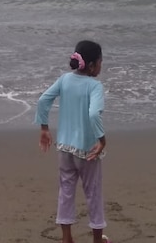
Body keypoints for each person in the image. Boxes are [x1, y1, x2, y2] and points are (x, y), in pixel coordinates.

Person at [36, 41, 108, 243]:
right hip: (88, 151)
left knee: (66, 192)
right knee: (93, 194)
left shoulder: (65, 79)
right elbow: (94, 114)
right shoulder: (95, 86)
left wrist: (44, 128)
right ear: (92, 65)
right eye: (101, 62)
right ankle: (97, 240)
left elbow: (43, 100)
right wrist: (102, 139)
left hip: (64, 149)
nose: (101, 66)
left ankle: (67, 238)